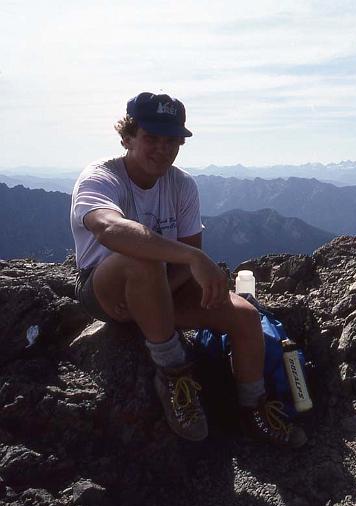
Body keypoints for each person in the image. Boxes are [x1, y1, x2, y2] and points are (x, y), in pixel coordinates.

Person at [69, 92, 306, 447]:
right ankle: (173, 373)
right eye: (151, 138)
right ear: (128, 136)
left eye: (172, 141)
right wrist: (193, 262)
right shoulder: (101, 178)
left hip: (163, 286)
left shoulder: (181, 185)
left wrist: (170, 283)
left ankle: (253, 406)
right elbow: (110, 229)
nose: (162, 149)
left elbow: (189, 252)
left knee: (244, 316)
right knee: (141, 257)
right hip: (106, 288)